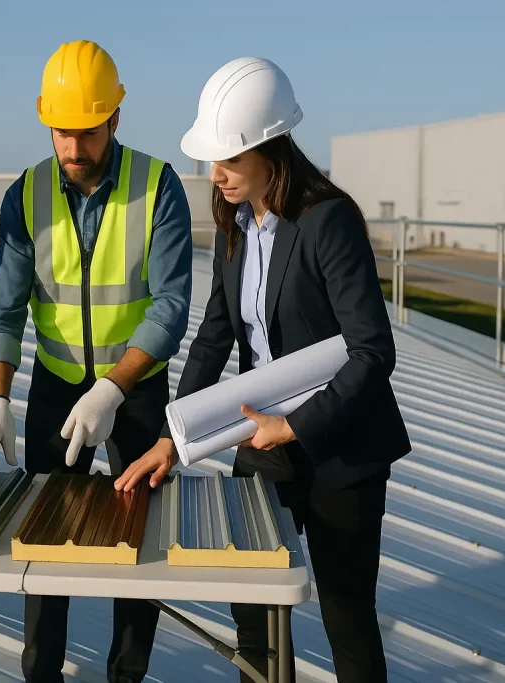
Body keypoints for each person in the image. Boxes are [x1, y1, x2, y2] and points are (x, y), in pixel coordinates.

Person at [115, 57, 411, 683]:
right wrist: (175, 434)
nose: (214, 174)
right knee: (252, 610)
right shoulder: (234, 220)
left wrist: (298, 425)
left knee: (347, 620)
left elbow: (372, 352)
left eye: (229, 160)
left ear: (271, 151)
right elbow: (217, 333)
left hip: (341, 447)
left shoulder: (328, 220)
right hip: (265, 445)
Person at [0, 39, 193, 683]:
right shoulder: (27, 194)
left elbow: (173, 303)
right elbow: (2, 311)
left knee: (141, 542)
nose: (72, 148)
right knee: (43, 538)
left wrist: (115, 387)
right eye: (61, 131)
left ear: (115, 120)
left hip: (138, 392)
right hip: (58, 390)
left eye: (87, 132)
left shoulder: (158, 187)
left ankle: (127, 674)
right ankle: (41, 672)